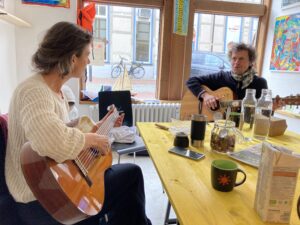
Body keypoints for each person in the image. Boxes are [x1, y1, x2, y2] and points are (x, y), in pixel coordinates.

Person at [5, 21, 151, 225]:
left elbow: (59, 129)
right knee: (131, 177)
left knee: (116, 178)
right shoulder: (34, 91)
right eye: (87, 55)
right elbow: (50, 142)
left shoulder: (57, 92)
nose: (89, 61)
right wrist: (89, 138)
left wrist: (102, 126)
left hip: (53, 184)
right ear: (73, 59)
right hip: (40, 197)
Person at [186, 42, 268, 110]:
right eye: (234, 58)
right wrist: (205, 96)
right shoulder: (221, 77)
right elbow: (191, 81)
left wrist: (271, 108)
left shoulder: (260, 83)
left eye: (241, 59)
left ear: (251, 61)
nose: (236, 62)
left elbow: (264, 115)